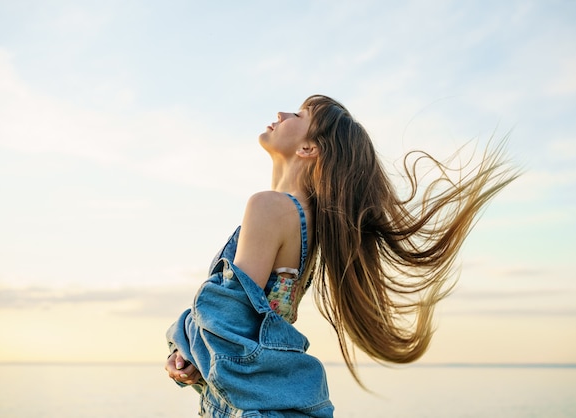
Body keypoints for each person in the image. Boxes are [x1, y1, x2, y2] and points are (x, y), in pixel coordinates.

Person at [164, 94, 519, 417]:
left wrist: (183, 344)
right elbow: (238, 326)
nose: (281, 113)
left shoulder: (269, 207)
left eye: (299, 114)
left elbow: (226, 315)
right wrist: (191, 351)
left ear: (308, 148)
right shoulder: (308, 226)